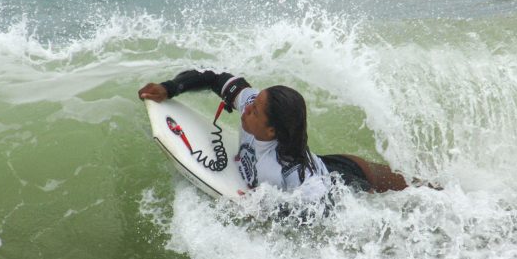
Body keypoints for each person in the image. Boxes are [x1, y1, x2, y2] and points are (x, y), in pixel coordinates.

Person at [138, 70, 388, 200]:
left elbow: (315, 216)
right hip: (328, 163)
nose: (245, 107)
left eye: (254, 110)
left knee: (417, 192)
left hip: (348, 181)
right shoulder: (253, 105)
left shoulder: (292, 173)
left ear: (271, 130)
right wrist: (170, 88)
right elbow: (214, 77)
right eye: (252, 102)